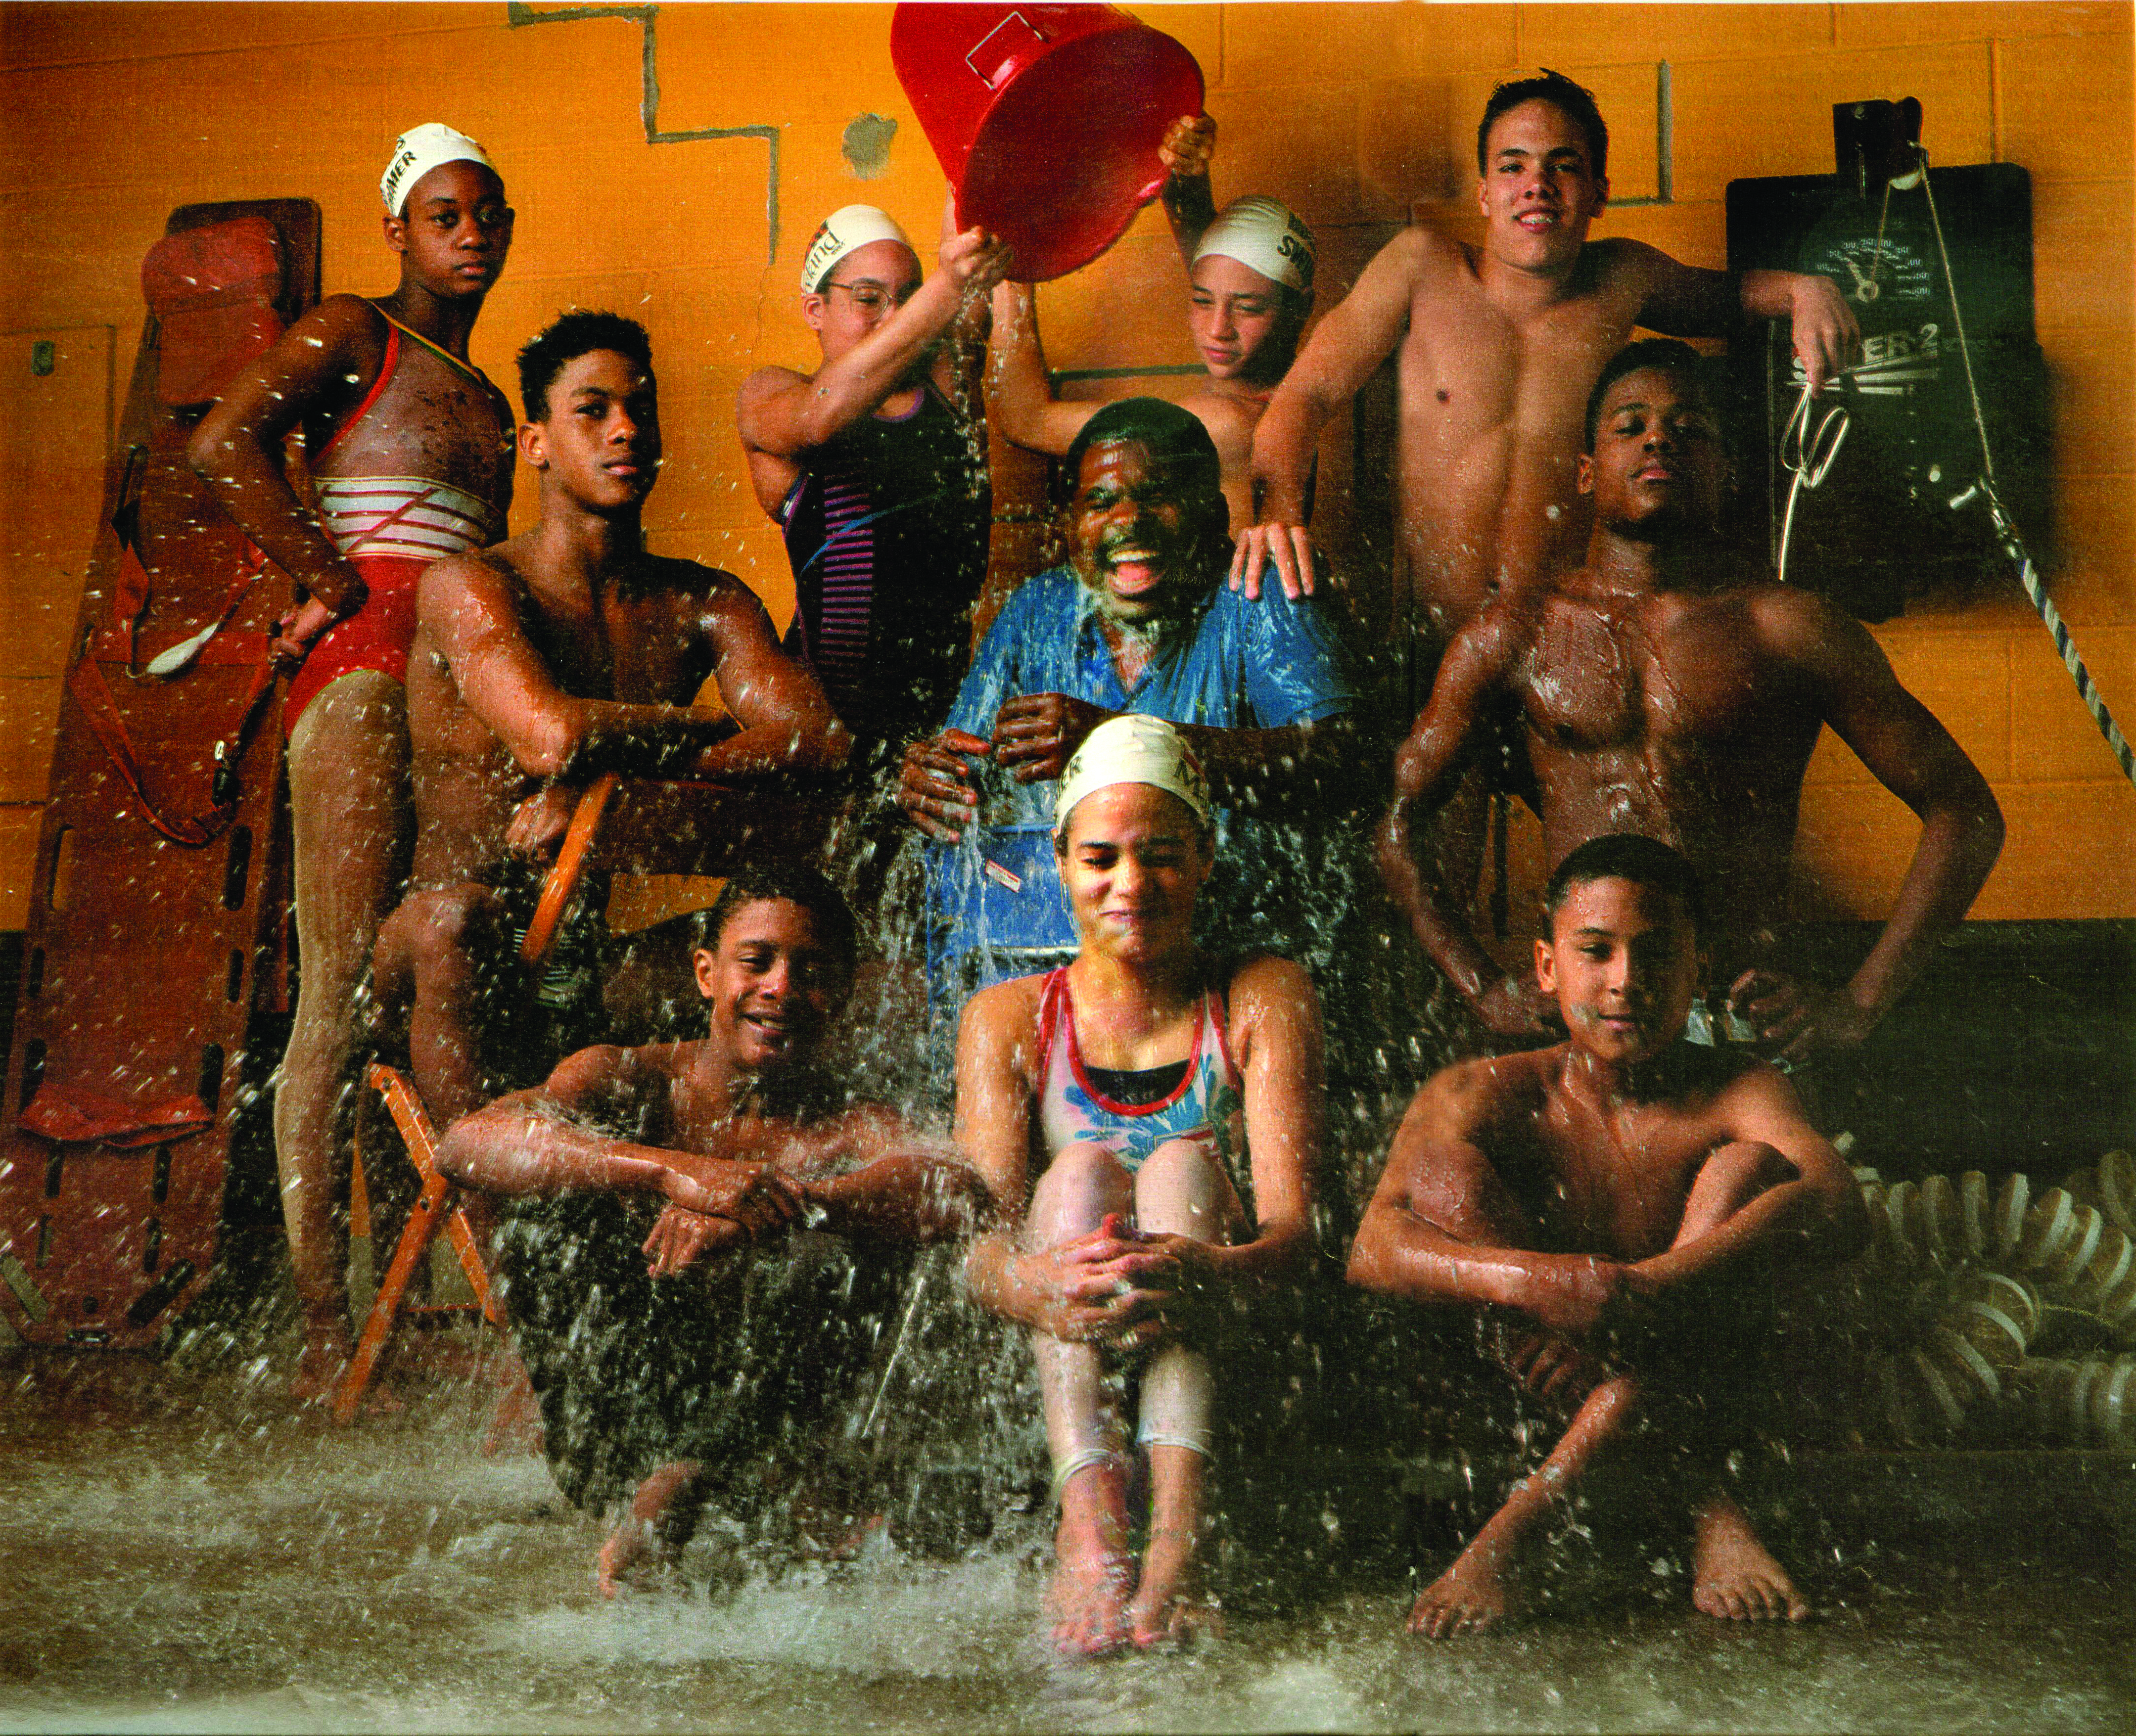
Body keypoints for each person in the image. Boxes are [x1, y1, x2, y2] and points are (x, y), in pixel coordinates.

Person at [1380, 340, 2004, 1058]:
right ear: (1585, 473)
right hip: (1580, 1031)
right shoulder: (1515, 632)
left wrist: (1858, 1003)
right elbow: (1398, 824)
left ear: (1724, 471)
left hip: (1740, 1023)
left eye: (1689, 428)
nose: (1658, 439)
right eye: (1629, 425)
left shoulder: (1790, 629)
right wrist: (1481, 987)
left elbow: (1965, 809)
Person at [189, 123, 516, 1399]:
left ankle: (436, 1287)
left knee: (436, 956)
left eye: (490, 212)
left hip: (461, 694)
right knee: (332, 998)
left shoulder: (490, 398)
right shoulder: (351, 330)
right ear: (398, 227)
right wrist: (321, 573)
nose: (472, 231)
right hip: (368, 675)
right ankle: (326, 1322)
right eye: (446, 212)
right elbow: (222, 443)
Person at [1349, 834, 1869, 1635]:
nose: (1626, 981)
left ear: (1696, 968)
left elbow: (1837, 1202)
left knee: (1745, 1171)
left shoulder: (1738, 1086)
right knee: (1441, 1175)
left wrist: (1649, 1287)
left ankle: (1517, 1529)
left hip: (1703, 1359)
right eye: (1595, 952)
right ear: (1547, 967)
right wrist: (1532, 1282)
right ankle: (1704, 1505)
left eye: (1657, 954)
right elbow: (1371, 1249)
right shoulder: (1482, 1089)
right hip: (1531, 1371)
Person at [435, 866, 986, 1594]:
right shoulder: (629, 1078)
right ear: (705, 972)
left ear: (843, 995)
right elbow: (467, 1143)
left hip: (770, 1426)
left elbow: (957, 1190)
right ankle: (651, 1485)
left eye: (811, 971)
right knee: (548, 1212)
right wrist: (669, 1172)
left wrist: (780, 1207)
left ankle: (705, 1475)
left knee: (837, 1233)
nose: (780, 988)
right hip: (620, 1424)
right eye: (755, 962)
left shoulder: (849, 1121)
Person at [374, 311, 845, 1136]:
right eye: (592, 410)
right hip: (436, 959)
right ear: (537, 444)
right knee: (459, 922)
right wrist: (697, 728)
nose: (625, 429)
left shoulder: (702, 600)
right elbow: (550, 737)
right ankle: (486, 1231)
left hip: (580, 959)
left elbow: (816, 737)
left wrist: (610, 792)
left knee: (768, 965)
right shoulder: (469, 585)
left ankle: (732, 1216)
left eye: (640, 408)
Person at [1236, 70, 1859, 634]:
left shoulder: (1622, 277)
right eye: (1512, 167)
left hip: (1563, 649)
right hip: (1427, 641)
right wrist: (1278, 514)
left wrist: (1808, 290)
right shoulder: (1421, 268)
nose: (1537, 187)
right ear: (1484, 194)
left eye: (1562, 167)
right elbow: (1306, 394)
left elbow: (1733, 295)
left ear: (1598, 193)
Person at [957, 716, 1325, 1653]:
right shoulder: (1005, 1018)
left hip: (1223, 1311)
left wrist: (1210, 1271)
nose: (1130, 885)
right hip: (1076, 1319)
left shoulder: (1261, 992)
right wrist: (1035, 1285)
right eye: (1101, 857)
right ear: (1059, 860)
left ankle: (1176, 1544)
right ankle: (1089, 1527)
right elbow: (981, 1250)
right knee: (1078, 1173)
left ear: (1205, 855)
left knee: (1177, 1166)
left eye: (1160, 856)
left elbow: (1296, 1235)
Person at [895, 398, 1356, 974]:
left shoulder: (1259, 591)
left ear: (1213, 518)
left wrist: (1124, 738)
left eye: (1157, 495)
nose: (1127, 519)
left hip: (1236, 962)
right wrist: (928, 780)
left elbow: (1343, 762)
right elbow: (963, 760)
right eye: (1101, 501)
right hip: (1071, 960)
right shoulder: (1037, 611)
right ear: (1068, 526)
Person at [737, 200, 1012, 772]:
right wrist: (946, 283)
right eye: (868, 299)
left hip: (949, 723)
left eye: (908, 298)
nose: (893, 317)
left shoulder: (948, 380)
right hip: (829, 737)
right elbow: (820, 417)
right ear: (815, 309)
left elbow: (971, 214)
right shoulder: (771, 394)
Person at [987, 115, 1316, 530]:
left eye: (1248, 309)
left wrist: (1013, 270)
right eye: (1200, 301)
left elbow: (1026, 419)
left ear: (1300, 311)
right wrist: (1186, 177)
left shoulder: (1220, 424)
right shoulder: (1291, 397)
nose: (1218, 329)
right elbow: (1225, 272)